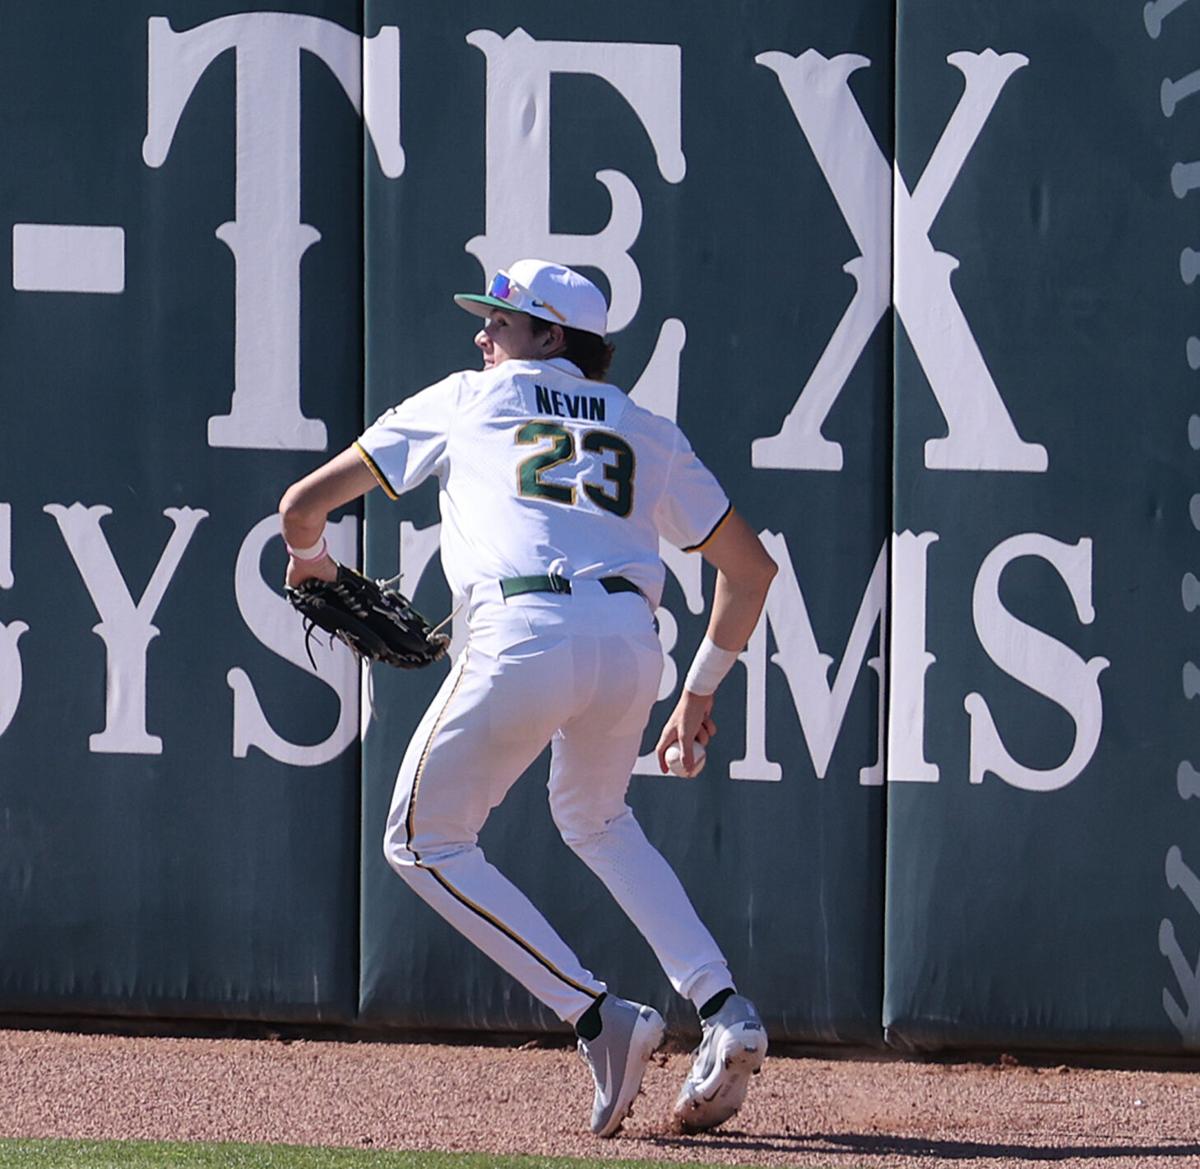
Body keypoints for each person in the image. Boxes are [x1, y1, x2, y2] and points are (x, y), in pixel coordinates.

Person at [278, 259, 778, 1137]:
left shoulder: (471, 397)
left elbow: (302, 505)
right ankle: (726, 1005)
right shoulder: (642, 426)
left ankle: (598, 1015)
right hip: (631, 643)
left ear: (552, 338)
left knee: (419, 841)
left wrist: (312, 563)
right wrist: (697, 694)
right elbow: (750, 571)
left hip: (523, 628)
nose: (483, 334)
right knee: (595, 814)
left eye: (502, 322)